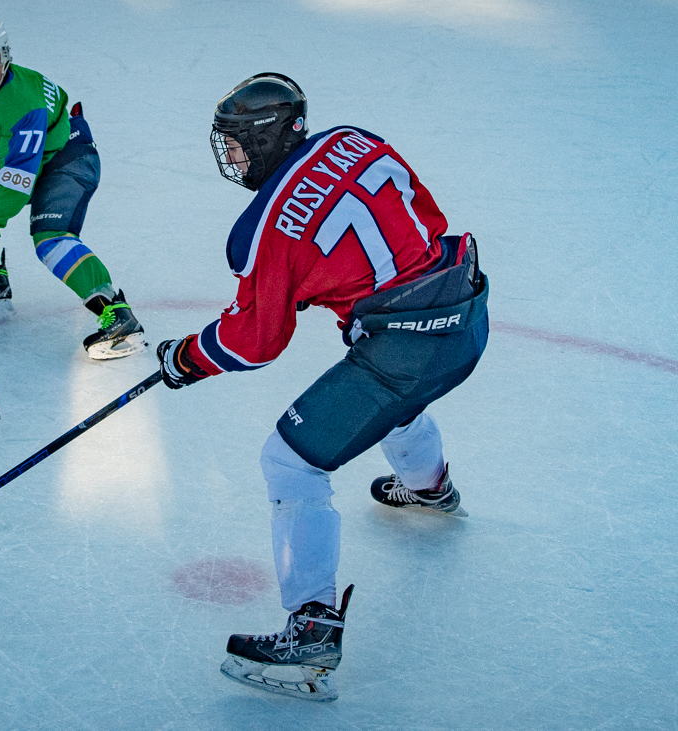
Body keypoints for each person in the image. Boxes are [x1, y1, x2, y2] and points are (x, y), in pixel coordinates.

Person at [154, 73, 490, 701]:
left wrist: (186, 358)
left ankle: (310, 633)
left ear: (265, 138)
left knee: (289, 462)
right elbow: (425, 217)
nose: (228, 156)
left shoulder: (262, 228)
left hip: (407, 349)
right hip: (468, 313)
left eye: (235, 142)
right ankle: (430, 486)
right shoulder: (351, 139)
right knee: (387, 398)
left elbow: (255, 341)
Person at [0, 17, 145, 360]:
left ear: (4, 57)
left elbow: (15, 181)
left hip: (67, 156)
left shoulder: (23, 101)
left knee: (49, 236)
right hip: (22, 159)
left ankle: (117, 314)